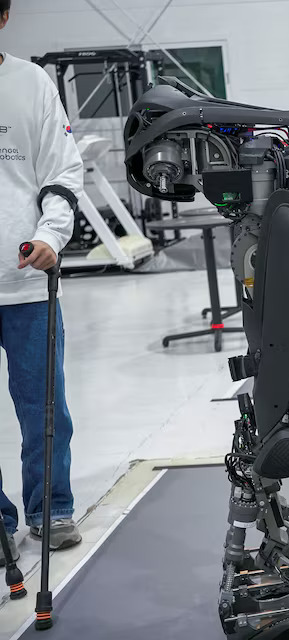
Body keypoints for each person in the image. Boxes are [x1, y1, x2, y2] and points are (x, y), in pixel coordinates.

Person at [0, 0, 84, 566]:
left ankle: (50, 508)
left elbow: (61, 169)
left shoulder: (29, 84)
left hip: (26, 279)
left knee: (44, 407)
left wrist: (52, 235)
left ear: (3, 16)